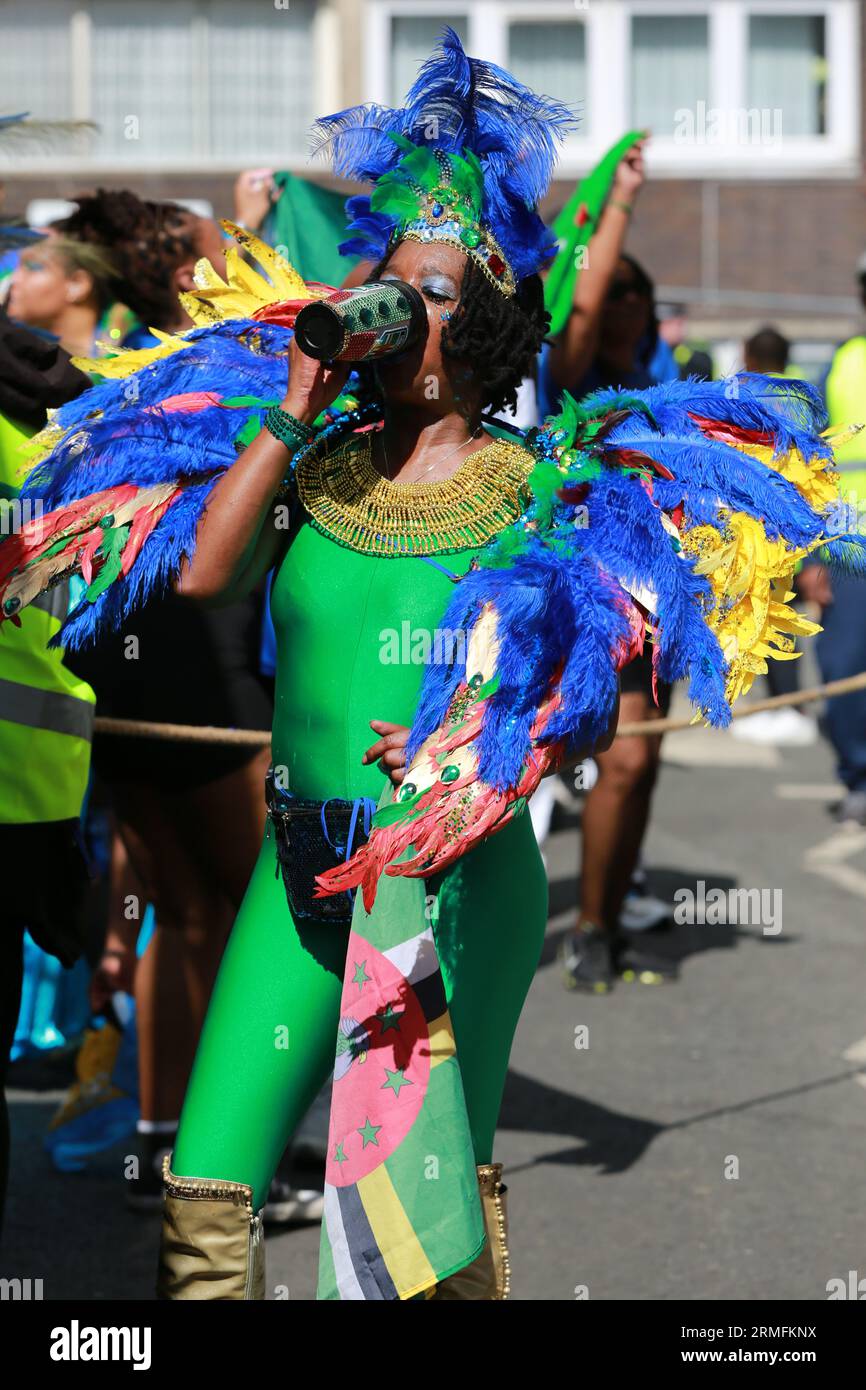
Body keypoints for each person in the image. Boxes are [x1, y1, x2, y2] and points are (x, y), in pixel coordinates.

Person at [5, 30, 852, 1301]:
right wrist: (294, 397)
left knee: (410, 1223)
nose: (400, 308)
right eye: (389, 283)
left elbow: (605, 710)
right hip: (300, 871)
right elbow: (199, 579)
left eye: (434, 292)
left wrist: (488, 755)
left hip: (447, 882)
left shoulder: (545, 492)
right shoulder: (315, 458)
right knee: (208, 1186)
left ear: (483, 326)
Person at [538, 139, 676, 988]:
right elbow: (577, 318)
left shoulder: (678, 392)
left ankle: (598, 921)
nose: (618, 301)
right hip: (565, 594)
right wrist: (617, 204)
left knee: (635, 761)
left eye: (634, 291)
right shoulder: (564, 380)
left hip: (659, 599)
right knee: (578, 760)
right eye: (609, 285)